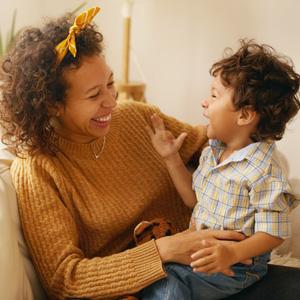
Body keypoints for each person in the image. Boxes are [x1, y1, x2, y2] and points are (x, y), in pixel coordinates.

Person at [0, 6, 248, 300]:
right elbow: (66, 279)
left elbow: (209, 145)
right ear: (53, 105)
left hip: (212, 267)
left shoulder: (137, 118)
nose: (111, 102)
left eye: (110, 84)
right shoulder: (38, 170)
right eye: (94, 95)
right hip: (146, 289)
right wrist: (167, 250)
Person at [143, 39, 300, 299]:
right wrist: (171, 159)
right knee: (151, 275)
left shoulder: (264, 169)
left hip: (237, 267)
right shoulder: (213, 150)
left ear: (245, 116)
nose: (204, 102)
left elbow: (274, 232)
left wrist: (233, 253)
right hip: (200, 251)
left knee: (168, 288)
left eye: (214, 95)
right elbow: (193, 200)